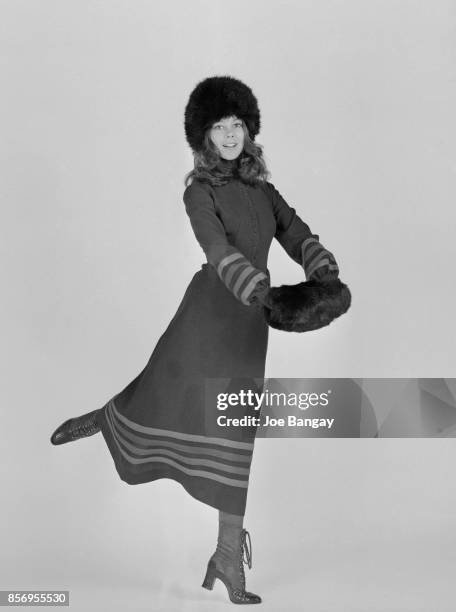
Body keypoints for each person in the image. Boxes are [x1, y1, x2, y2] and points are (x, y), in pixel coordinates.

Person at [50, 75, 340, 605]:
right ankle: (108, 418)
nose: (230, 135)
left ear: (249, 132)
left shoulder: (264, 191)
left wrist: (323, 271)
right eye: (219, 126)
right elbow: (215, 248)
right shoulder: (198, 190)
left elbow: (297, 234)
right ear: (203, 135)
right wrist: (260, 289)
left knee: (238, 432)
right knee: (165, 390)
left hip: (252, 325)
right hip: (210, 313)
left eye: (238, 125)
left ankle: (227, 556)